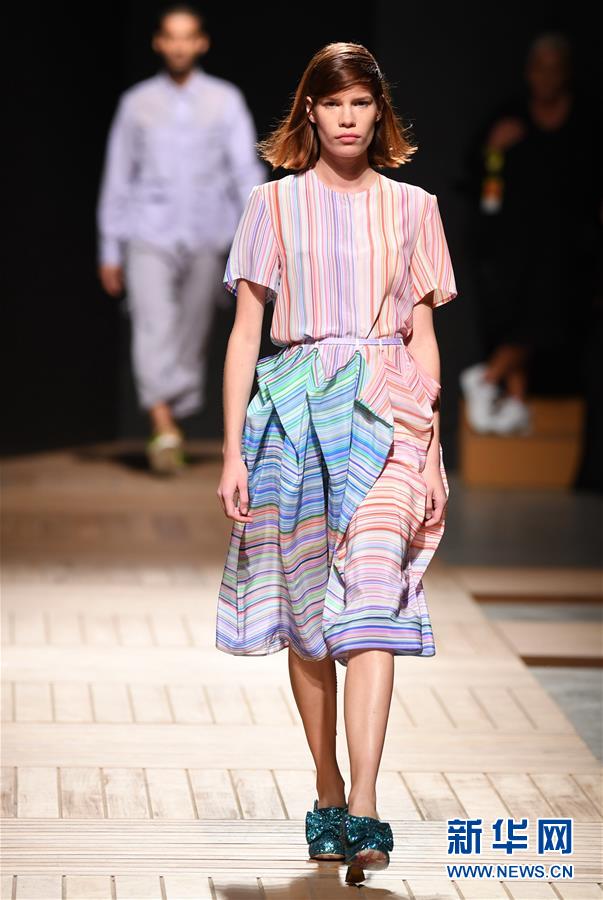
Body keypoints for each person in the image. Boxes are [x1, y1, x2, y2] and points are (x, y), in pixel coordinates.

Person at [215, 42, 457, 885]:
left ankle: (363, 804)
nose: (348, 118)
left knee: (373, 599)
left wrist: (429, 449)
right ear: (310, 112)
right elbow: (245, 332)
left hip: (389, 414)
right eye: (333, 103)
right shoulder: (271, 205)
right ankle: (324, 783)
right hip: (294, 416)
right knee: (309, 621)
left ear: (377, 113)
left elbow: (424, 337)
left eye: (361, 103)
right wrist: (230, 451)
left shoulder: (415, 208)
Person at [97, 3, 265, 473]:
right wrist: (110, 248)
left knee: (192, 332)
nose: (178, 45)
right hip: (147, 231)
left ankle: (169, 415)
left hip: (209, 232)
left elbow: (245, 172)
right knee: (152, 324)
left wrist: (258, 236)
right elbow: (118, 176)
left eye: (187, 36)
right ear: (158, 42)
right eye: (170, 36)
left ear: (201, 43)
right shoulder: (136, 103)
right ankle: (163, 423)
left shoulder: (225, 100)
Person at [459, 32, 602, 435]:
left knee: (551, 319)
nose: (547, 77)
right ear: (529, 73)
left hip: (567, 250)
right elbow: (482, 184)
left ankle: (488, 378)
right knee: (515, 320)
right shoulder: (510, 118)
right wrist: (495, 150)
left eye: (556, 69)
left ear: (567, 73)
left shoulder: (586, 122)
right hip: (512, 250)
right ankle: (513, 397)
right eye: (540, 68)